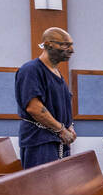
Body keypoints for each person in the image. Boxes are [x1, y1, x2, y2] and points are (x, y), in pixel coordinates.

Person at [15, 27, 76, 168]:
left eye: (71, 45)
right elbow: (34, 107)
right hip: (40, 141)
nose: (71, 50)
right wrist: (61, 130)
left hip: (59, 140)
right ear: (48, 44)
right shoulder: (31, 70)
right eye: (65, 44)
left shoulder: (58, 74)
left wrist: (69, 127)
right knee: (42, 188)